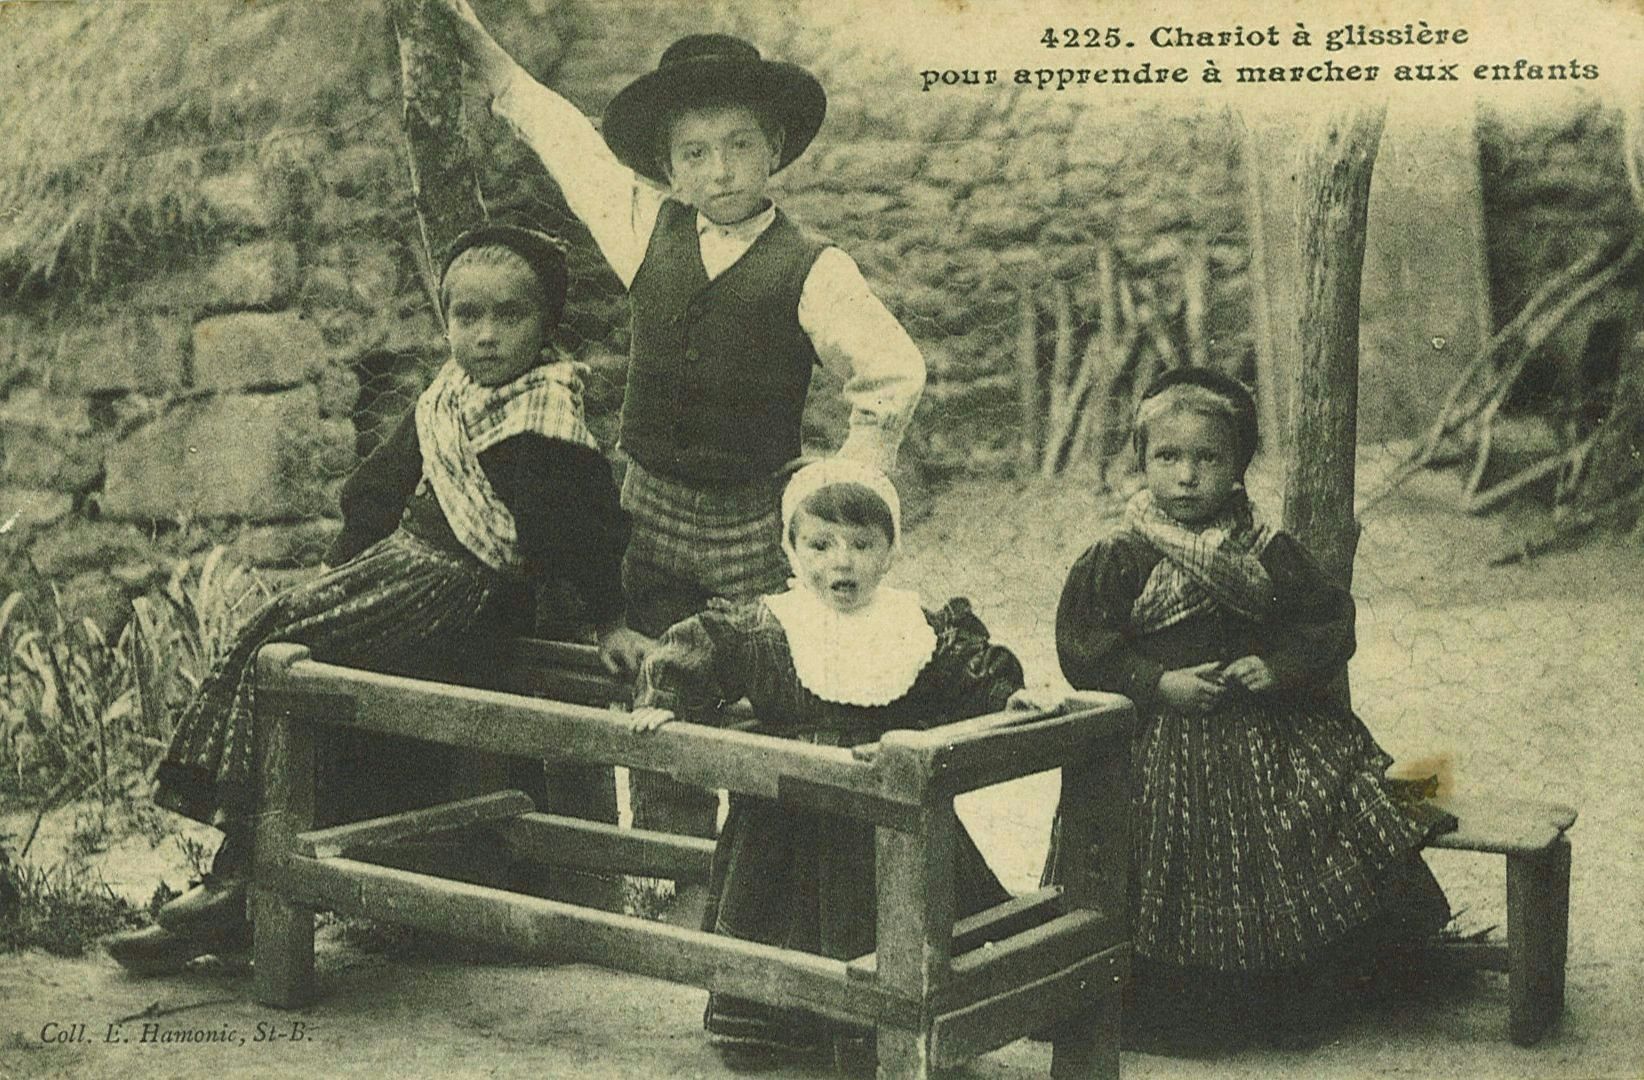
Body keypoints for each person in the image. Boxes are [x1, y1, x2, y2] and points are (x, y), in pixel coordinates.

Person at [435, 0, 927, 855]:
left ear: (775, 149)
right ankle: (675, 870)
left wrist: (841, 484)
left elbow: (892, 371)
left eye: (740, 145)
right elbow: (564, 140)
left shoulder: (814, 267)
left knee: (766, 694)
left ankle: (764, 877)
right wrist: (487, 59)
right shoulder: (642, 227)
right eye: (694, 153)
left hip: (751, 521)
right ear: (668, 164)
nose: (720, 170)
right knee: (657, 691)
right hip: (651, 513)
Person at [103, 224, 650, 974]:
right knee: (275, 632)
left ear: (546, 323)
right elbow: (375, 493)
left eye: (509, 315)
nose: (486, 335)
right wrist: (335, 580)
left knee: (310, 673)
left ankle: (246, 889)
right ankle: (243, 874)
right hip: (401, 577)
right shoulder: (447, 398)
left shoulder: (545, 415)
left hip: (464, 603)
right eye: (467, 316)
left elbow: (583, 531)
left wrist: (610, 621)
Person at [1044, 367, 1455, 1051]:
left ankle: (1293, 1002)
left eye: (1207, 458)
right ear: (1142, 460)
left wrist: (1278, 668)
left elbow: (1327, 623)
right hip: (1155, 743)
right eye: (1167, 457)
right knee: (1152, 854)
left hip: (1264, 737)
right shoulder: (1119, 556)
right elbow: (1084, 650)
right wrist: (1158, 682)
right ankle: (1167, 1010)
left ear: (1237, 467)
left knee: (1318, 821)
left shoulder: (1264, 550)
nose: (1186, 476)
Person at [628, 459, 1032, 1069]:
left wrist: (1006, 696)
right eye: (820, 545)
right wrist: (666, 699)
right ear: (790, 551)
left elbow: (966, 671)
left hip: (886, 813)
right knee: (774, 915)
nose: (842, 562)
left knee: (895, 922)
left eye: (862, 545)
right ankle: (770, 1029)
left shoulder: (913, 627)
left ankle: (882, 1036)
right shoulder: (769, 624)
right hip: (786, 810)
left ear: (890, 552)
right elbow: (700, 648)